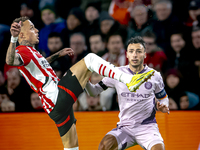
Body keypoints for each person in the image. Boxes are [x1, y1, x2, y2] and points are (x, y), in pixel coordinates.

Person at [6, 17, 154, 150]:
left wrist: (58, 54)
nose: (37, 30)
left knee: (71, 148)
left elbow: (41, 63)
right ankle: (128, 79)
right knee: (89, 60)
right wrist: (13, 39)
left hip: (54, 109)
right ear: (22, 35)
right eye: (32, 28)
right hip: (57, 97)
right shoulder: (22, 50)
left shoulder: (31, 52)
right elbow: (10, 61)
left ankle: (93, 89)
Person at [85, 36, 169, 150]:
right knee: (104, 146)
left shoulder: (154, 75)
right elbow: (93, 92)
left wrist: (164, 105)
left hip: (147, 128)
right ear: (127, 54)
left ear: (145, 54)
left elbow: (163, 97)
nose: (135, 55)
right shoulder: (117, 73)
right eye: (131, 51)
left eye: (139, 51)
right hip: (125, 128)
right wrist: (85, 82)